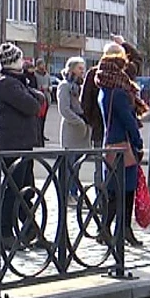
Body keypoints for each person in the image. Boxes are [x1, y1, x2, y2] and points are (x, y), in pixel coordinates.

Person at [0, 43, 48, 250]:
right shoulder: (7, 82)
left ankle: (30, 232)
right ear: (11, 61)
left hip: (23, 143)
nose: (23, 62)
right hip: (13, 144)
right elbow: (32, 105)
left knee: (26, 190)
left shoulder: (17, 81)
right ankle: (5, 233)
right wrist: (36, 97)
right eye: (20, 58)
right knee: (13, 190)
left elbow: (37, 99)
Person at [95, 43, 148, 247]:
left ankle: (111, 230)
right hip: (122, 145)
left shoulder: (104, 86)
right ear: (118, 63)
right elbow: (128, 120)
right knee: (124, 191)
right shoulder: (117, 91)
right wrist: (138, 141)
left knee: (117, 190)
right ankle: (116, 229)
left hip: (111, 142)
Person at [57, 57, 91, 206]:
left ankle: (74, 193)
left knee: (77, 167)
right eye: (79, 68)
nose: (82, 71)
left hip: (82, 133)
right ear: (71, 69)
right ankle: (66, 194)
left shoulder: (81, 86)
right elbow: (64, 109)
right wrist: (79, 121)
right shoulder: (65, 86)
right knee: (68, 166)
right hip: (71, 131)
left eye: (83, 68)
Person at [34, 59, 51, 143]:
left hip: (47, 99)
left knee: (43, 119)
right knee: (38, 119)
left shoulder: (47, 75)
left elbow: (50, 85)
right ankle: (38, 135)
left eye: (44, 64)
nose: (43, 66)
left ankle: (42, 134)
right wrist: (40, 88)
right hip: (39, 100)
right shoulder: (35, 74)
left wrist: (49, 88)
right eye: (41, 64)